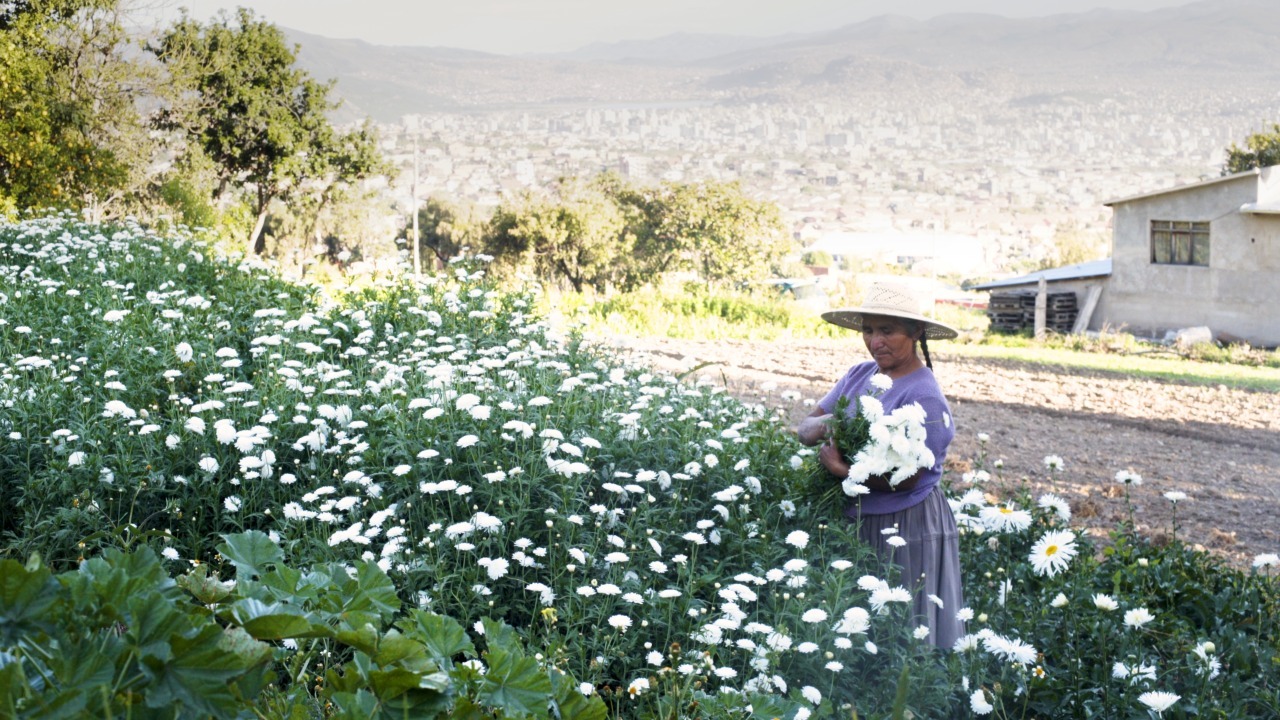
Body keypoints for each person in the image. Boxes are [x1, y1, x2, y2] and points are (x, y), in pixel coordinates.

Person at [794, 281, 965, 649]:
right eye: (869, 330)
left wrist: (843, 472)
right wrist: (832, 425)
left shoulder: (923, 396)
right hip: (857, 517)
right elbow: (807, 426)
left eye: (887, 331)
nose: (875, 342)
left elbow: (907, 479)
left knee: (905, 627)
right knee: (857, 627)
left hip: (906, 524)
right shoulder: (859, 375)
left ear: (916, 332)